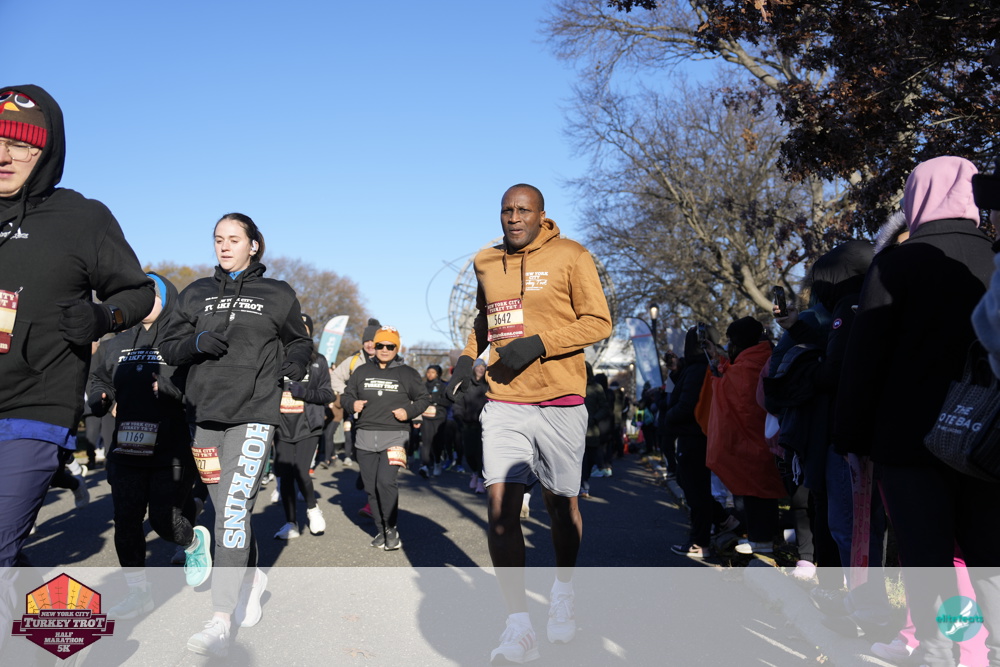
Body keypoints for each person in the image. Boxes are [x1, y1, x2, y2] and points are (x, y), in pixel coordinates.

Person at [836, 156, 999, 665]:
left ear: (915, 197)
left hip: (909, 437)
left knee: (928, 555)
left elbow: (865, 357)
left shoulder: (897, 264)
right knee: (990, 555)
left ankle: (938, 649)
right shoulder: (995, 257)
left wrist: (852, 436)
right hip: (989, 435)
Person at [449, 183, 612, 664]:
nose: (514, 217)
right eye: (506, 210)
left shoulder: (572, 255)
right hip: (504, 399)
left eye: (523, 210)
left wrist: (540, 344)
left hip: (560, 398)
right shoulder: (485, 261)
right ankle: (519, 627)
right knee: (500, 507)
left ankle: (563, 590)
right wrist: (467, 358)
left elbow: (598, 321)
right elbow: (483, 321)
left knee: (561, 507)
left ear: (542, 215)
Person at [0, 85, 154, 567]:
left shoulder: (82, 218)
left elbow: (138, 292)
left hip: (33, 407)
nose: (3, 155)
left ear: (46, 151)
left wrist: (102, 316)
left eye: (19, 143)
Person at [160, 212, 312, 658]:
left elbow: (299, 340)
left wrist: (296, 361)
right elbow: (168, 346)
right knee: (227, 509)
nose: (224, 246)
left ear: (253, 245)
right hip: (204, 415)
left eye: (233, 239)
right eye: (218, 239)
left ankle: (220, 620)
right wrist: (195, 343)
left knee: (230, 512)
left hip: (254, 411)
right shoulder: (195, 293)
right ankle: (250, 576)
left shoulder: (277, 293)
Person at [87, 273, 199, 619]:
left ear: (167, 298)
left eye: (151, 294)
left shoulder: (183, 340)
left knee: (164, 522)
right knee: (126, 521)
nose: (142, 301)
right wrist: (100, 396)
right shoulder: (116, 343)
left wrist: (170, 390)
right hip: (127, 449)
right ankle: (138, 592)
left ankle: (194, 542)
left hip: (171, 449)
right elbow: (98, 378)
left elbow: (199, 387)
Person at [341, 326, 429, 551]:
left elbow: (423, 398)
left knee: (385, 482)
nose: (385, 350)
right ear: (375, 346)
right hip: (365, 436)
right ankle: (382, 530)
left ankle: (391, 527)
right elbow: (346, 395)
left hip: (396, 435)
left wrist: (408, 412)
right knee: (371, 487)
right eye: (380, 345)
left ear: (396, 348)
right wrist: (352, 404)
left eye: (390, 346)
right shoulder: (361, 371)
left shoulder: (408, 373)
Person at [273, 314, 335, 540]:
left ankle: (312, 509)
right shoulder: (275, 357)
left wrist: (305, 393)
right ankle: (290, 523)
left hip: (308, 425)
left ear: (309, 333)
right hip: (281, 425)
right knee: (285, 475)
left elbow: (328, 394)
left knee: (301, 470)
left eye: (304, 328)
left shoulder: (318, 360)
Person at [453, 358, 489, 494]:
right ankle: (474, 472)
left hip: (484, 425)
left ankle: (480, 479)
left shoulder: (489, 385)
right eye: (479, 366)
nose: (481, 368)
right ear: (473, 368)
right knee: (469, 453)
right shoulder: (466, 385)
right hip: (467, 424)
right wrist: (458, 416)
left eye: (483, 367)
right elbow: (458, 403)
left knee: (481, 453)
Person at [418, 363, 451, 477]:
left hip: (439, 418)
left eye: (433, 372)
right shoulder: (422, 386)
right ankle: (425, 465)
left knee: (437, 442)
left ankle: (437, 462)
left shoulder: (443, 386)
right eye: (428, 372)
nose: (430, 374)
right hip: (425, 417)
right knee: (426, 442)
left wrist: (434, 400)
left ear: (438, 374)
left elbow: (448, 402)